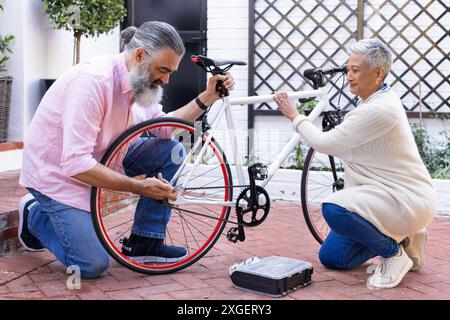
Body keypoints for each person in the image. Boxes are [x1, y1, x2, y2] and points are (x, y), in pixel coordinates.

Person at [18, 21, 234, 279]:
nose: (166, 79)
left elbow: (165, 129)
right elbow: (75, 163)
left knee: (170, 149)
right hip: (57, 176)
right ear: (140, 55)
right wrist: (137, 186)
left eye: (171, 72)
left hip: (103, 159)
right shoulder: (93, 82)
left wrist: (208, 96)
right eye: (163, 70)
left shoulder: (139, 81)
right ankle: (35, 214)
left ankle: (145, 242)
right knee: (92, 265)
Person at [274, 38, 436, 289]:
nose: (349, 76)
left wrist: (294, 116)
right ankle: (406, 238)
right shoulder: (372, 101)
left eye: (356, 70)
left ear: (378, 73)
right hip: (383, 197)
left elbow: (324, 143)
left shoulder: (379, 109)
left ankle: (394, 255)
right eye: (348, 69)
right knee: (333, 258)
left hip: (405, 199)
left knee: (334, 208)